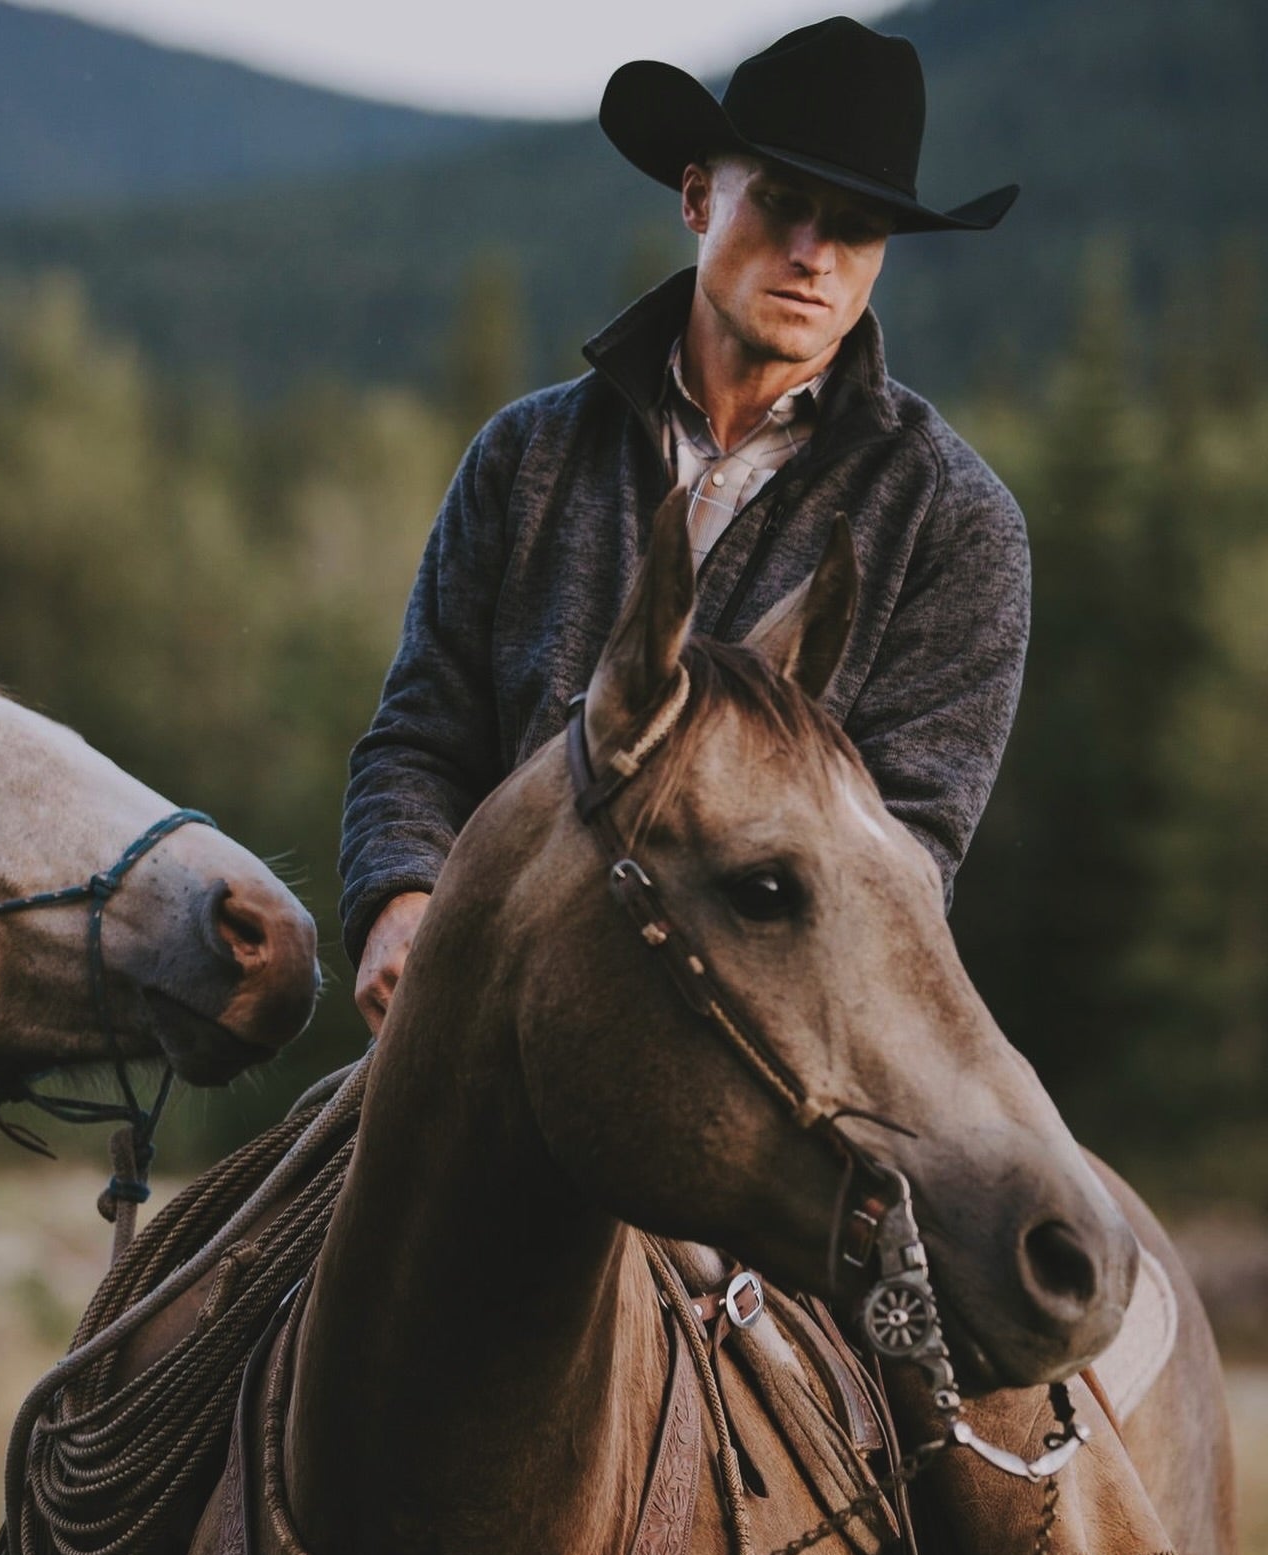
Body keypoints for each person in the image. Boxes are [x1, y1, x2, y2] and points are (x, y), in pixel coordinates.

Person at [341, 15, 1029, 1033]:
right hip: (484, 1032)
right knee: (260, 1200)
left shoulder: (954, 523)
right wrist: (401, 901)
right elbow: (419, 736)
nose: (812, 255)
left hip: (762, 1071)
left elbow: (905, 855)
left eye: (855, 226)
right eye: (785, 204)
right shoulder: (524, 457)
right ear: (700, 196)